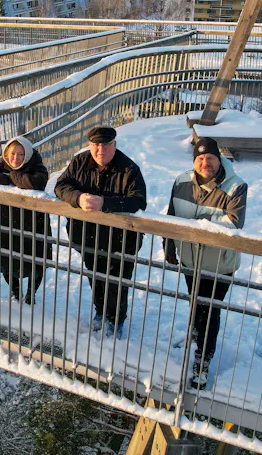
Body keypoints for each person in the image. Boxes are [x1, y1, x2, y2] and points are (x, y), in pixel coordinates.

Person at [165, 136, 247, 390]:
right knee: (195, 300)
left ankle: (203, 360)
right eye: (200, 158)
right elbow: (171, 217)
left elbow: (234, 222)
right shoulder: (181, 182)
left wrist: (197, 225)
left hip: (219, 263)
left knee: (210, 310)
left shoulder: (236, 186)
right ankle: (195, 333)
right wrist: (169, 247)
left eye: (210, 158)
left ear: (219, 158)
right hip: (191, 259)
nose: (205, 163)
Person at [55, 126, 147, 339]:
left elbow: (138, 200)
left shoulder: (129, 169)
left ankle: (117, 319)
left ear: (114, 145)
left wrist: (106, 203)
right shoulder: (79, 162)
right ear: (90, 145)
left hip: (121, 240)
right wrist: (77, 198)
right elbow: (60, 186)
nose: (100, 150)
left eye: (106, 145)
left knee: (117, 280)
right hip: (86, 236)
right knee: (94, 275)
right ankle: (100, 311)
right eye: (96, 145)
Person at [0, 136, 52, 304]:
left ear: (28, 154)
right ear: (6, 154)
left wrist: (9, 176)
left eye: (20, 154)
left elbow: (36, 182)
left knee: (36, 263)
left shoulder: (36, 166)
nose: (15, 158)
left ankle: (30, 296)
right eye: (12, 154)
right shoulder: (0, 165)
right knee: (7, 260)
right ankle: (16, 293)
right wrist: (9, 178)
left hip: (34, 224)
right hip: (7, 222)